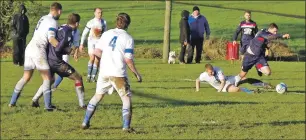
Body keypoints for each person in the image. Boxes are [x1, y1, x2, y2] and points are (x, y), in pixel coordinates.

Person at [81, 13, 142, 133]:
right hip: (118, 73)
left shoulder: (106, 34)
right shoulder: (128, 38)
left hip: (104, 71)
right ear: (127, 24)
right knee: (126, 99)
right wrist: (136, 73)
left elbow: (97, 52)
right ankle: (126, 127)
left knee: (98, 96)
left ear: (116, 22)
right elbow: (128, 59)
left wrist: (107, 58)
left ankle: (85, 122)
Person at [8, 2, 62, 111]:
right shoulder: (53, 22)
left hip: (29, 48)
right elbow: (51, 39)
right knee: (48, 78)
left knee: (26, 77)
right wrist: (62, 48)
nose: (60, 14)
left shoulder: (43, 18)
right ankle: (48, 107)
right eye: (60, 12)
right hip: (38, 49)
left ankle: (12, 102)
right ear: (58, 11)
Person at [31, 13, 86, 109]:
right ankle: (82, 105)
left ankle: (35, 100)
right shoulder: (67, 32)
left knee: (50, 81)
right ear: (76, 23)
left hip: (49, 58)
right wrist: (70, 51)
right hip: (56, 61)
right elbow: (58, 48)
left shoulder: (62, 27)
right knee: (78, 77)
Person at [195, 64, 271, 93]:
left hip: (227, 80)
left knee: (244, 78)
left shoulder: (218, 70)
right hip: (224, 87)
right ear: (206, 71)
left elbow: (223, 81)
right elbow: (197, 80)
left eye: (212, 71)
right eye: (210, 73)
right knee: (236, 89)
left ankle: (264, 84)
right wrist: (197, 90)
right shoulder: (204, 75)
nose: (212, 73)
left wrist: (218, 92)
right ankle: (252, 91)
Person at [79, 8, 107, 83]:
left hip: (99, 42)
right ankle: (88, 76)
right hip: (91, 42)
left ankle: (93, 77)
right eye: (98, 12)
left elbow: (105, 34)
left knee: (97, 59)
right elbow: (84, 33)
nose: (100, 14)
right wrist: (81, 44)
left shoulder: (104, 22)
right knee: (92, 58)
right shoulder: (91, 22)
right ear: (94, 13)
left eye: (101, 12)